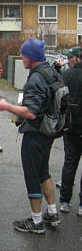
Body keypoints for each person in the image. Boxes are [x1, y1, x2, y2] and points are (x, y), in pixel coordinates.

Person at [0, 37, 61, 234]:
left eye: (23, 54)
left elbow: (31, 112)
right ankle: (52, 213)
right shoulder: (51, 71)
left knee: (33, 175)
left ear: (31, 56)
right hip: (49, 131)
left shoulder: (36, 78)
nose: (21, 57)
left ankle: (36, 222)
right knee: (43, 172)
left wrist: (6, 106)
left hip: (36, 133)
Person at [58, 48, 82, 216]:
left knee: (69, 163)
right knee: (70, 164)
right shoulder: (67, 72)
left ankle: (65, 201)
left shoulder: (67, 74)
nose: (68, 61)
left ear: (77, 58)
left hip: (71, 125)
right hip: (74, 125)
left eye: (71, 58)